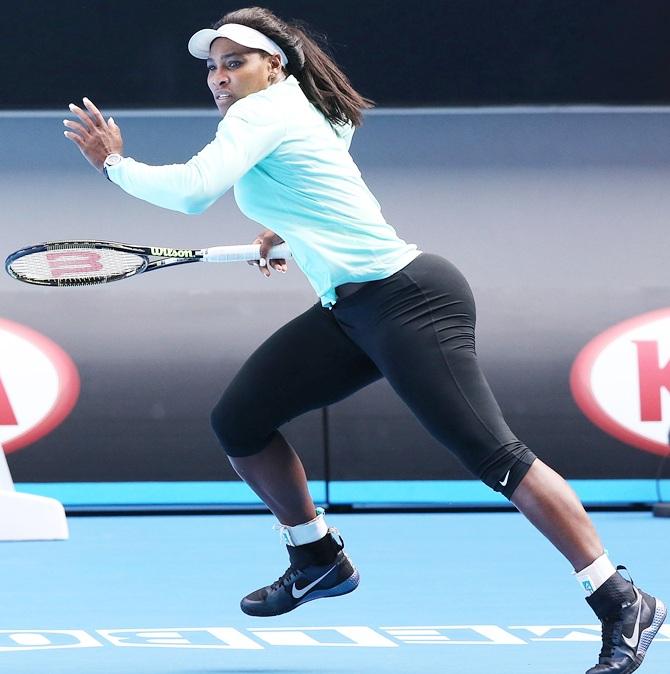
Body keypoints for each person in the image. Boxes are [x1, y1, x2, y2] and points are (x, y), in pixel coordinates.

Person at [63, 7, 666, 673]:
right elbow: (325, 175)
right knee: (241, 421)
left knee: (500, 459)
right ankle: (316, 556)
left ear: (274, 65)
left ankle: (619, 598)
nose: (220, 76)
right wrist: (286, 231)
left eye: (235, 61)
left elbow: (193, 192)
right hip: (350, 312)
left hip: (408, 300)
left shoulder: (260, 114)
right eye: (213, 65)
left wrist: (113, 163)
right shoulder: (307, 110)